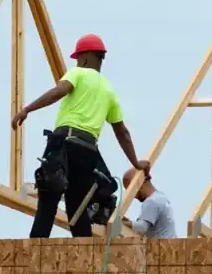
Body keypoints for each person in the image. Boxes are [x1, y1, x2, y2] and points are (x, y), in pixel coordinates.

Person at [11, 33, 151, 238]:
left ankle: (35, 256)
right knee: (78, 209)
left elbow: (58, 92)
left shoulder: (78, 74)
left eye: (77, 59)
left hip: (64, 144)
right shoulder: (108, 90)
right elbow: (122, 132)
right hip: (88, 152)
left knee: (48, 199)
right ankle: (87, 261)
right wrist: (136, 162)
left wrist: (28, 109)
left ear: (84, 58)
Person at [122, 167, 176, 239]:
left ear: (140, 182)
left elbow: (142, 227)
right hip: (168, 245)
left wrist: (120, 224)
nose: (133, 196)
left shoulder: (151, 201)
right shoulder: (160, 196)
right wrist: (126, 221)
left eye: (132, 190)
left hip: (161, 248)